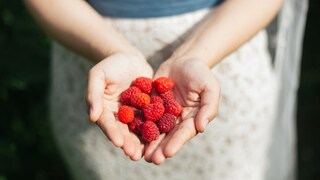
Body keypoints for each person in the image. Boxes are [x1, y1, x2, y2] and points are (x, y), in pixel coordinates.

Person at [24, 0, 308, 179]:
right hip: (90, 53)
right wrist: (113, 49)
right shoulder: (129, 100)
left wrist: (195, 56)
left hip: (221, 50)